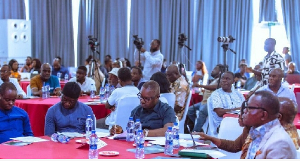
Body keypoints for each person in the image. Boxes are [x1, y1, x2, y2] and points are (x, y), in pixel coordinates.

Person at [109, 80, 176, 137]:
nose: (142, 101)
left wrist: (145, 133)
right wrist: (120, 132)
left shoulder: (166, 110)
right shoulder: (136, 111)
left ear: (157, 97)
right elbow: (131, 132)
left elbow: (168, 130)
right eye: (141, 97)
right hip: (139, 144)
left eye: (147, 99)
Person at [242, 90, 296, 159]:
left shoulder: (279, 143)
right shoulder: (257, 132)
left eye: (249, 108)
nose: (244, 111)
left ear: (264, 115)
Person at [187, 64, 222, 132]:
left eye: (215, 69)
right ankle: (199, 126)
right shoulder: (214, 80)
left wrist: (199, 85)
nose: (212, 70)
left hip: (210, 103)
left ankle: (196, 131)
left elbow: (215, 87)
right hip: (203, 101)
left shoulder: (220, 80)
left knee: (202, 111)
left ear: (220, 72)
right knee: (190, 110)